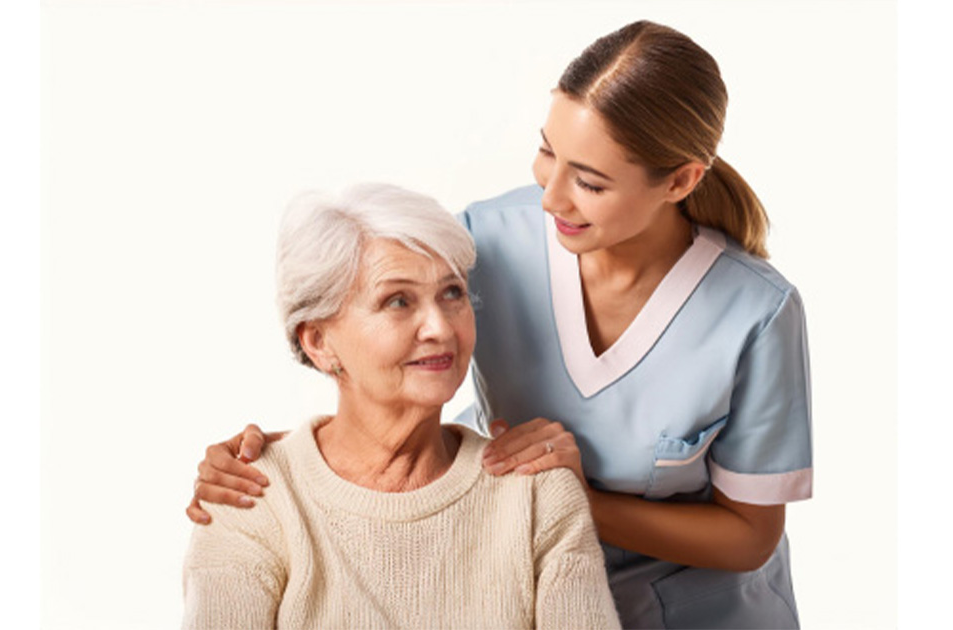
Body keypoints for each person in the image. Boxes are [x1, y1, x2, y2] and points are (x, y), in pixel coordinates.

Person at [189, 21, 812, 629]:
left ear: (680, 180)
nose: (550, 198)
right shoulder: (488, 240)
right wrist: (275, 464)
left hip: (700, 610)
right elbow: (379, 341)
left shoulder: (755, 313)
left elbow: (748, 536)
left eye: (590, 183)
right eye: (547, 152)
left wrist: (561, 500)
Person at [180, 183, 620, 629]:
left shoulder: (536, 494)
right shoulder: (250, 495)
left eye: (452, 293)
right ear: (318, 341)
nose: (440, 328)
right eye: (398, 300)